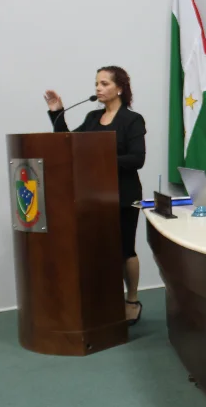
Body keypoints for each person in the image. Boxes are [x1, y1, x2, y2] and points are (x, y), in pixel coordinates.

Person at [44, 66, 147, 326]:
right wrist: (57, 111)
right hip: (94, 196)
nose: (98, 89)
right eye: (96, 84)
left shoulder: (132, 120)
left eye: (104, 84)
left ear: (119, 88)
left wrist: (100, 157)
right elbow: (68, 142)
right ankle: (104, 300)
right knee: (100, 248)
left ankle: (132, 299)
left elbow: (137, 159)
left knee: (125, 249)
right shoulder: (92, 118)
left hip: (124, 195)